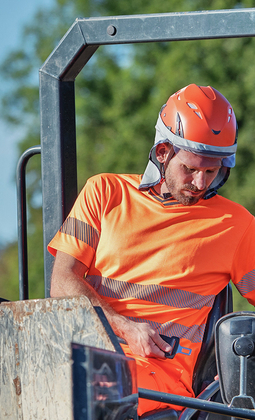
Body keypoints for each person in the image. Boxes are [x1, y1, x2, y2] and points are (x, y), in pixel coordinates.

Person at [48, 84, 255, 416]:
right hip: (83, 369)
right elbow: (62, 284)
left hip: (160, 393)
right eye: (190, 169)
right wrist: (126, 327)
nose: (201, 184)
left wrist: (236, 374)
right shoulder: (103, 193)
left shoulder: (237, 225)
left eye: (211, 172)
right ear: (162, 152)